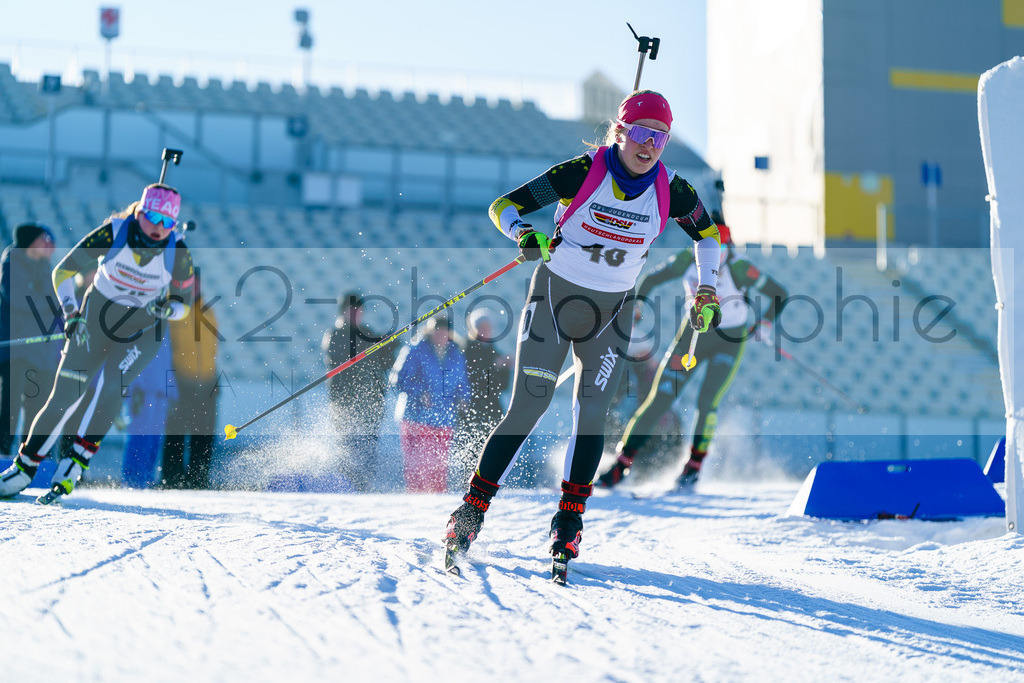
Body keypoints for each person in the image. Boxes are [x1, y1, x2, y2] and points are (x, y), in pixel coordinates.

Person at [443, 90, 723, 575]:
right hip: (554, 301)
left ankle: (569, 522)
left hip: (610, 315)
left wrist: (707, 288)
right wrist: (523, 233)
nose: (649, 145)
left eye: (660, 137)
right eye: (641, 133)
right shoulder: (582, 172)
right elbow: (503, 206)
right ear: (620, 132)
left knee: (591, 415)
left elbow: (708, 235)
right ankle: (471, 512)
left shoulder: (673, 190)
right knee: (529, 405)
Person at [0, 183, 194, 502]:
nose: (159, 227)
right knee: (65, 394)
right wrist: (70, 313)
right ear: (140, 213)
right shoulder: (114, 232)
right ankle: (24, 467)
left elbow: (184, 304)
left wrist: (167, 308)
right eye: (153, 217)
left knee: (111, 385)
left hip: (142, 331)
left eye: (167, 221)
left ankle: (77, 460)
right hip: (94, 322)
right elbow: (62, 272)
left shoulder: (178, 251)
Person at [596, 215, 788, 489]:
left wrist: (765, 323)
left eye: (720, 248)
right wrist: (637, 306)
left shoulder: (740, 267)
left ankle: (693, 467)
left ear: (729, 247)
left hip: (729, 340)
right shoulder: (688, 258)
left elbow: (779, 293)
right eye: (707, 248)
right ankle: (622, 463)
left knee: (707, 400)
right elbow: (650, 280)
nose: (714, 256)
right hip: (693, 337)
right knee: (660, 398)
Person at [322, 291, 395, 491]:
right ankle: (346, 488)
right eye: (352, 310)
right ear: (343, 312)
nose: (356, 314)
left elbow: (383, 364)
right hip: (345, 404)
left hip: (371, 406)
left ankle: (363, 488)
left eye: (359, 310)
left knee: (368, 452)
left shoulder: (368, 332)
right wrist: (370, 346)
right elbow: (339, 358)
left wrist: (388, 347)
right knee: (347, 450)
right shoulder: (335, 334)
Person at [0, 223, 61, 455]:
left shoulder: (46, 268)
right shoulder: (11, 263)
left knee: (38, 407)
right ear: (30, 241)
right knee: (10, 407)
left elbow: (53, 303)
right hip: (16, 349)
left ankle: (29, 458)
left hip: (41, 352)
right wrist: (42, 302)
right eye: (44, 239)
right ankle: (3, 454)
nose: (49, 246)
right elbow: (19, 299)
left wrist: (39, 299)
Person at [391, 315, 471, 493]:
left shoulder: (456, 354)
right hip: (416, 418)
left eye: (444, 331)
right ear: (430, 331)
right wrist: (420, 393)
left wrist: (464, 398)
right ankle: (415, 499)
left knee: (439, 467)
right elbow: (399, 379)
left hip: (444, 419)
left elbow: (462, 382)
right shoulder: (416, 349)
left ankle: (438, 500)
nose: (440, 334)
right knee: (417, 466)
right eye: (437, 330)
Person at [163, 287, 220, 489]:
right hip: (181, 383)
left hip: (207, 384)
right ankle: (172, 481)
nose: (194, 286)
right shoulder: (172, 310)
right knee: (175, 435)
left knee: (203, 436)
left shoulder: (207, 310)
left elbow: (212, 348)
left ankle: (198, 480)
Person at [452, 308, 512, 486]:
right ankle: (467, 484)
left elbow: (503, 386)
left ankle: (488, 483)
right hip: (471, 406)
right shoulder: (465, 348)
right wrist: (495, 366)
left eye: (488, 327)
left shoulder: (494, 350)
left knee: (491, 449)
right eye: (482, 327)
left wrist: (506, 369)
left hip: (492, 407)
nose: (486, 331)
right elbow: (471, 377)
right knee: (470, 449)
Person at [121, 336, 176, 488]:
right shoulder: (141, 322)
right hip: (142, 390)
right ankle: (132, 482)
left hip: (161, 391)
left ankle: (146, 481)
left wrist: (172, 392)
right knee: (139, 437)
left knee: (154, 440)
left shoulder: (165, 326)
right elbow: (132, 350)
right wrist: (135, 384)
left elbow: (167, 356)